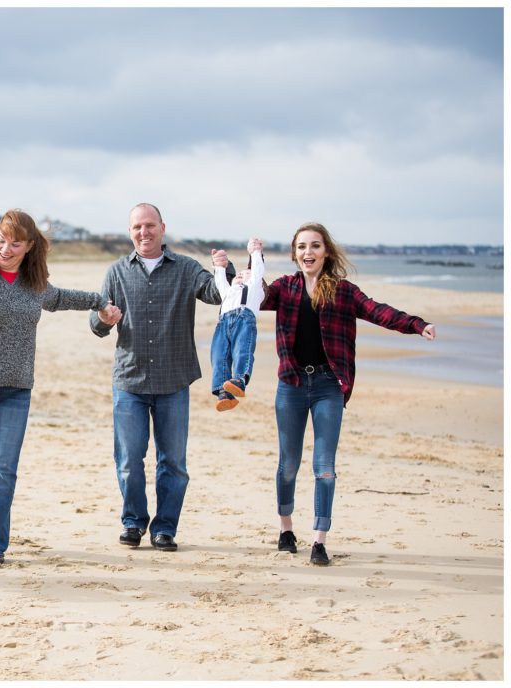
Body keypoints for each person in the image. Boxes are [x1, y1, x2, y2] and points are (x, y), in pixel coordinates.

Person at [0, 209, 121, 567]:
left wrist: (99, 302)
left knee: (3, 469)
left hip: (15, 389)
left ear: (29, 246)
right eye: (2, 240)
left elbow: (62, 298)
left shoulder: (34, 284)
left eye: (15, 243)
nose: (6, 248)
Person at [260, 223, 436, 566]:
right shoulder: (285, 289)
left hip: (328, 386)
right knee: (288, 465)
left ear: (326, 252)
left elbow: (379, 312)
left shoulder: (343, 292)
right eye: (301, 247)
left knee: (324, 467)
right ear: (295, 253)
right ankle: (286, 529)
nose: (307, 253)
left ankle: (319, 540)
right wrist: (242, 268)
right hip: (292, 386)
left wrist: (417, 325)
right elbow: (255, 295)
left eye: (315, 246)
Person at [90, 202, 232, 552]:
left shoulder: (185, 268)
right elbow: (97, 326)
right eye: (137, 227)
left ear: (162, 228)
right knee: (128, 461)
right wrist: (104, 320)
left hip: (173, 381)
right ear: (130, 232)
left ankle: (165, 528)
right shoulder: (116, 272)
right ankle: (133, 522)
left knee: (173, 463)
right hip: (130, 381)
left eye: (150, 225)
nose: (144, 232)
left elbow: (216, 294)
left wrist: (223, 270)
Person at [210, 238, 265, 411]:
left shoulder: (254, 286)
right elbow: (220, 281)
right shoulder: (229, 290)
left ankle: (240, 380)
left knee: (242, 349)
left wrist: (255, 252)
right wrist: (219, 265)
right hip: (222, 323)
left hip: (243, 318)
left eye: (245, 273)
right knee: (219, 356)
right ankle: (224, 392)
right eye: (238, 274)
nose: (241, 275)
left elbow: (257, 271)